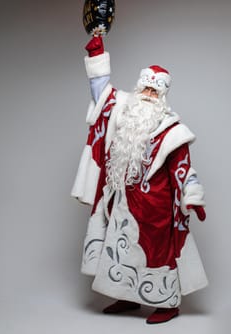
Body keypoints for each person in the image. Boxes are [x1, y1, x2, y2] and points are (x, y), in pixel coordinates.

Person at [71, 36, 208, 324]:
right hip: (121, 201)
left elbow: (183, 168)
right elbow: (101, 94)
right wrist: (97, 48)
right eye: (145, 86)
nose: (147, 92)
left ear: (162, 95)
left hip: (155, 208)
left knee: (155, 255)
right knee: (120, 247)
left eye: (154, 89)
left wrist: (192, 196)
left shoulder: (173, 129)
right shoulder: (124, 109)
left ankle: (168, 305)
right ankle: (126, 297)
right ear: (138, 86)